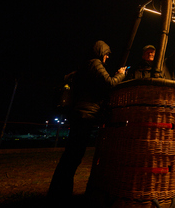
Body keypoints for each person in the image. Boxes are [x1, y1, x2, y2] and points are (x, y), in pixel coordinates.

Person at [48, 40, 126, 200]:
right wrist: (120, 75)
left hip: (80, 113)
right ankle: (60, 195)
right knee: (73, 156)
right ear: (100, 52)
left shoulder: (86, 65)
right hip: (85, 115)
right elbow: (109, 83)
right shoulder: (95, 64)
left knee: (71, 155)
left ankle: (59, 192)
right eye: (106, 54)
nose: (107, 58)